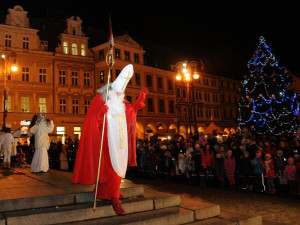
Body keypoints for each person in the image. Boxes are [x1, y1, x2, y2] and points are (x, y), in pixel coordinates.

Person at [71, 64, 148, 216]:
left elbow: (131, 110)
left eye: (122, 93)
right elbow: (93, 120)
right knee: (110, 168)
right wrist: (101, 112)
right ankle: (114, 198)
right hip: (105, 141)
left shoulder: (122, 104)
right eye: (118, 92)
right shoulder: (100, 101)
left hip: (121, 141)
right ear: (111, 91)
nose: (120, 95)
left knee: (117, 168)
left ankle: (105, 193)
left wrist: (141, 98)